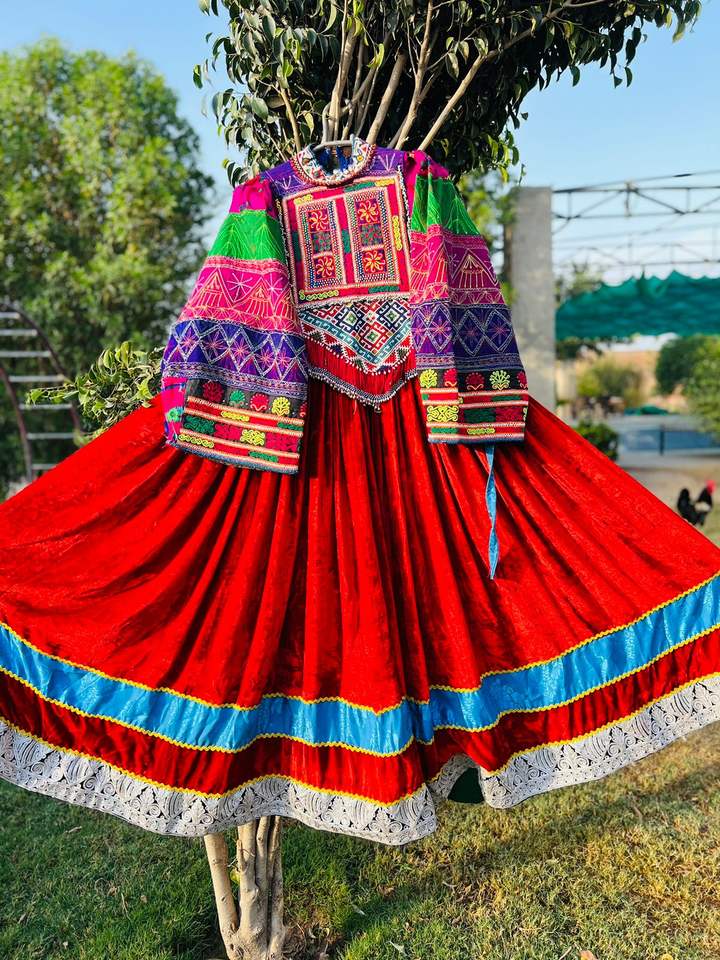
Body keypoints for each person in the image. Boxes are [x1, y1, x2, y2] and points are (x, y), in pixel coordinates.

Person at [1, 134, 720, 846]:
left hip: (411, 439)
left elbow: (469, 334)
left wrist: (457, 401)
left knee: (563, 555)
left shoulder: (421, 186)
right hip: (318, 446)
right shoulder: (267, 200)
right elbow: (234, 352)